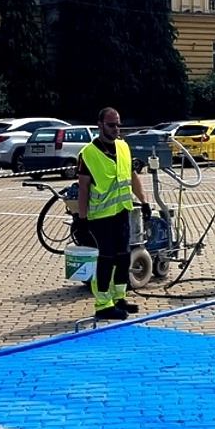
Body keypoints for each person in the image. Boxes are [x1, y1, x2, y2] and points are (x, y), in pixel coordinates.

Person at [76, 107, 151, 321]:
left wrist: (144, 201)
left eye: (118, 124)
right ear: (100, 125)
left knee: (123, 257)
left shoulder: (123, 147)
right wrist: (82, 219)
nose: (116, 129)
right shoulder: (88, 154)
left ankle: (119, 298)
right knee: (105, 261)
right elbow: (83, 189)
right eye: (111, 125)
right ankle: (103, 305)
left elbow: (132, 175)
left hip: (121, 213)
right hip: (100, 219)